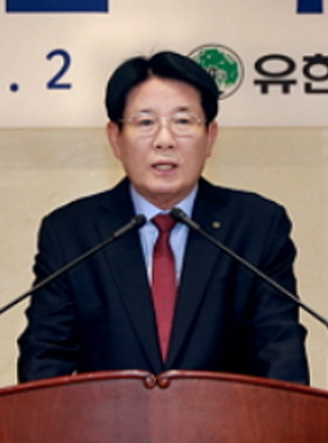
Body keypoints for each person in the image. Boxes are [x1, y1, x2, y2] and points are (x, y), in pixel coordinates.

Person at [16, 51, 309, 385]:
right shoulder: (72, 233)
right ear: (115, 138)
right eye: (145, 122)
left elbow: (279, 351)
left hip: (225, 420)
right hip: (107, 420)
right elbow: (45, 357)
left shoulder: (256, 226)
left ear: (210, 137)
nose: (164, 140)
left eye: (183, 121)